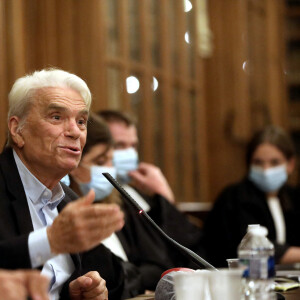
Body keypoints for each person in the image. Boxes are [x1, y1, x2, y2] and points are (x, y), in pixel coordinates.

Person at [0, 68, 126, 300]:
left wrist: (92, 289)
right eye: (56, 117)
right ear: (17, 130)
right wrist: (49, 241)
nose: (75, 132)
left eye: (81, 121)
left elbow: (117, 278)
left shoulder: (68, 200)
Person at [68, 113, 186, 292]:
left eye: (110, 160)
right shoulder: (62, 210)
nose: (109, 169)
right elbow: (108, 275)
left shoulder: (116, 202)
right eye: (101, 161)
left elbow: (158, 264)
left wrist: (164, 198)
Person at [97, 110, 206, 266]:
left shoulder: (141, 194)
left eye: (133, 145)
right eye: (119, 145)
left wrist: (164, 197)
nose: (129, 152)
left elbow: (190, 248)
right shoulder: (98, 196)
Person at [203, 125, 300, 267]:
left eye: (275, 162)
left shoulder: (294, 197)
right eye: (258, 162)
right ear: (249, 164)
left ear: (290, 164)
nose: (266, 170)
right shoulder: (233, 198)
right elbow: (251, 247)